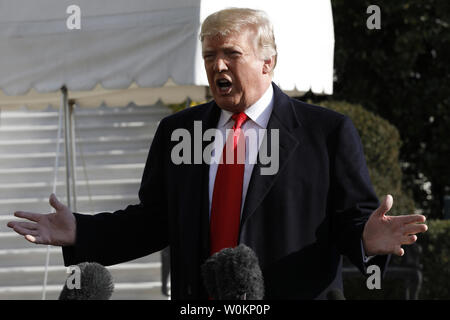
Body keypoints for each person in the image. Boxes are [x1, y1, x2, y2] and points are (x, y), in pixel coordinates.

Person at [7, 8, 427, 299]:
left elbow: (350, 221)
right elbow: (154, 222)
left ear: (268, 62)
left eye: (232, 54)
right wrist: (82, 232)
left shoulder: (327, 132)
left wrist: (366, 240)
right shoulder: (178, 132)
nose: (218, 66)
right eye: (210, 56)